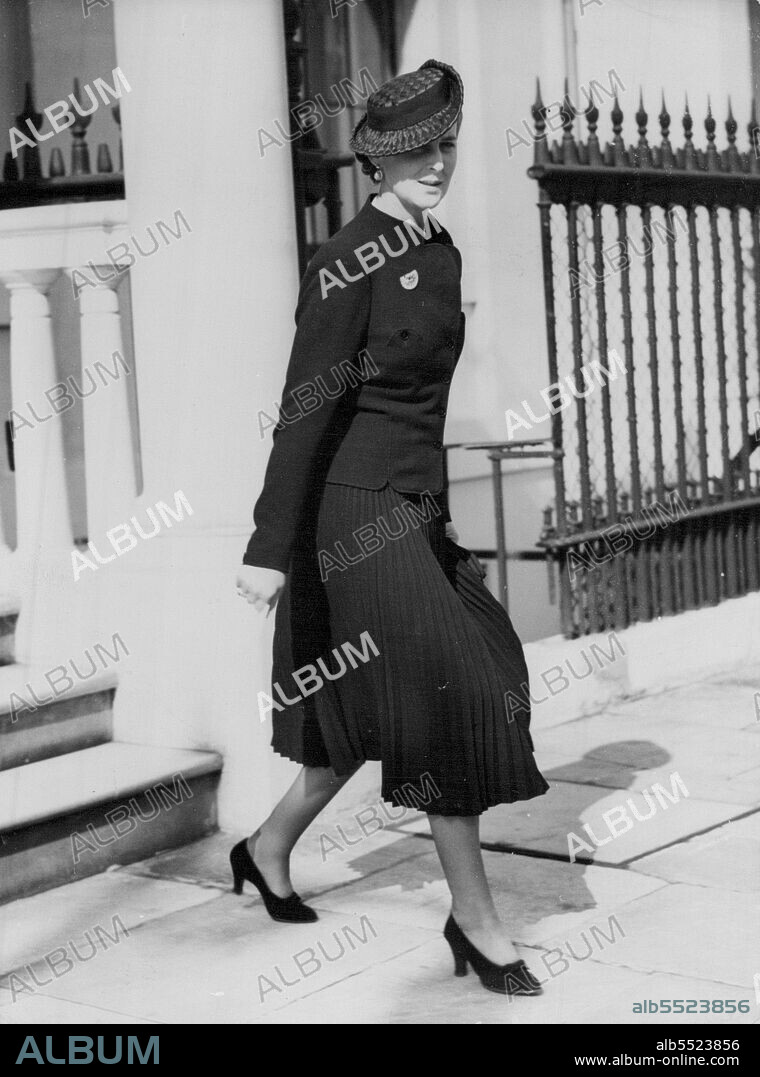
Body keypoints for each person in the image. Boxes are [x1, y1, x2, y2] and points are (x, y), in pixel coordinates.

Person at [234, 59, 548, 996]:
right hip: (349, 511)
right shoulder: (345, 259)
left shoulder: (440, 250)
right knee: (447, 696)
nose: (437, 163)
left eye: (445, 145)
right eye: (416, 152)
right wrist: (266, 548)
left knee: (421, 688)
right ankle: (478, 922)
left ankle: (266, 846)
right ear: (375, 161)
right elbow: (304, 409)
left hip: (413, 507)